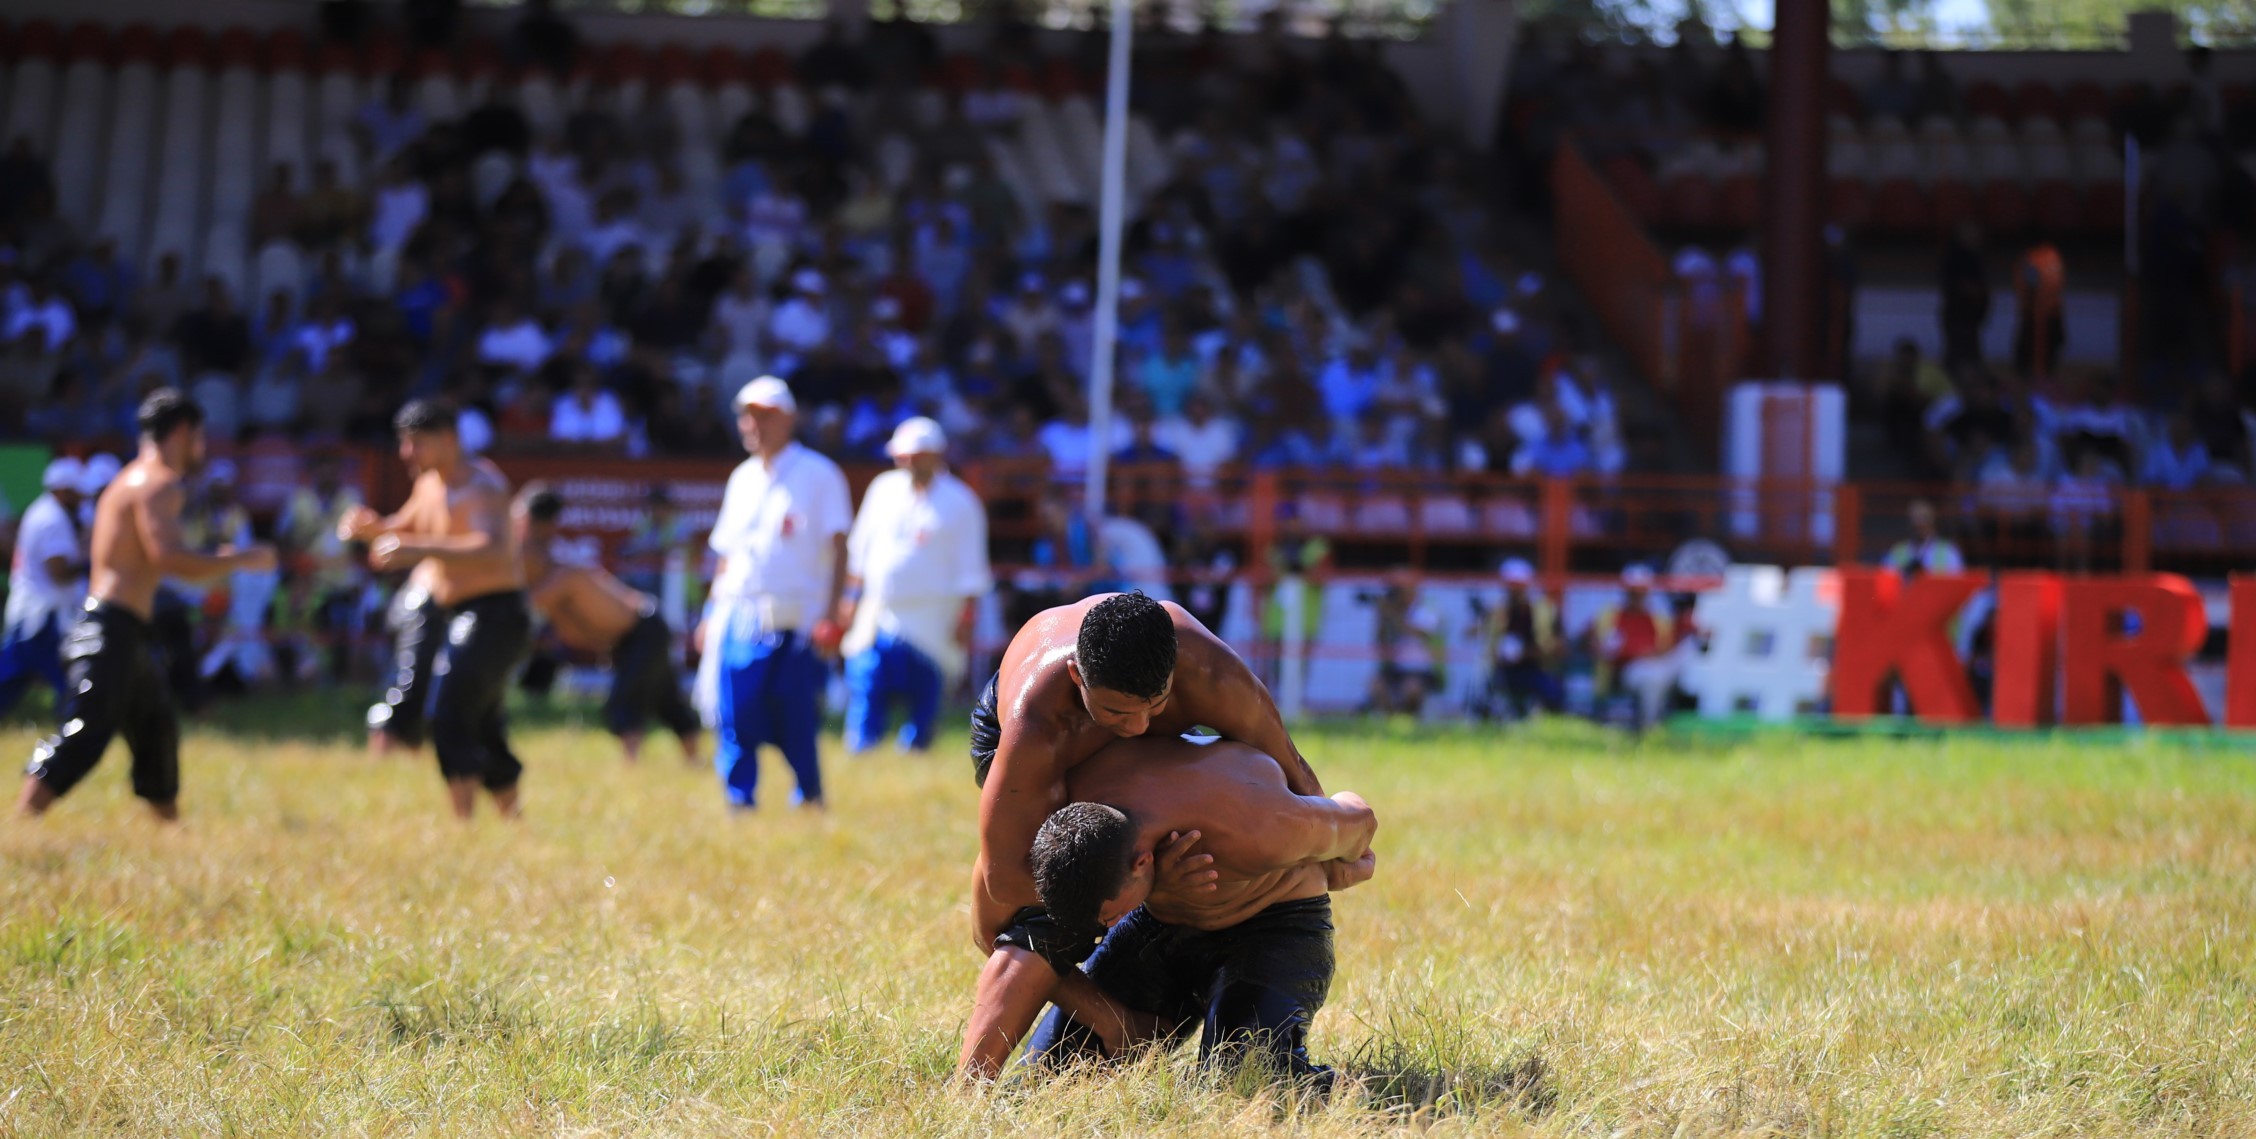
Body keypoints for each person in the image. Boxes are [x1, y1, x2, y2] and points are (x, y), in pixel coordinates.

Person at [958, 592, 1350, 1074]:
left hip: (1249, 908)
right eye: (1118, 714)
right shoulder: (1036, 728)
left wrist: (1333, 851)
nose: (1140, 727)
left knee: (1123, 853)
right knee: (1070, 885)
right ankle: (970, 1089)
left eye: (1156, 706)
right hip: (1029, 726)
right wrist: (1147, 883)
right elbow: (999, 892)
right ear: (1079, 679)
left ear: (1174, 674)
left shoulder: (1211, 675)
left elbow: (1294, 772)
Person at [956, 733, 1378, 1084]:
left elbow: (1358, 820)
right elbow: (996, 933)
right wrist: (1111, 1019)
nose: (1101, 930)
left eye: (1104, 917)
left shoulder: (1251, 823)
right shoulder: (1050, 811)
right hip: (1161, 926)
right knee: (1050, 1077)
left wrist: (1336, 866)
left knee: (1240, 1082)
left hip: (1273, 927)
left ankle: (1329, 1083)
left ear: (1141, 863)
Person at [18, 390, 277, 820]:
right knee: (84, 734)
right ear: (181, 433)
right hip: (110, 629)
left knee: (157, 732)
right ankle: (21, 822)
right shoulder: (158, 483)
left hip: (125, 629)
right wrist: (243, 557)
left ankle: (168, 832)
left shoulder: (130, 479)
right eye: (200, 437)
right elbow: (169, 558)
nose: (202, 448)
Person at [337, 400, 530, 819]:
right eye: (404, 444)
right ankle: (511, 820)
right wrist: (370, 528)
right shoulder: (429, 484)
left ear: (448, 440)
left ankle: (464, 825)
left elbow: (491, 547)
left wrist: (412, 549)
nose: (407, 454)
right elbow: (401, 530)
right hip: (458, 612)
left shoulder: (483, 486)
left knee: (448, 710)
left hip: (496, 613)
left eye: (416, 444)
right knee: (479, 718)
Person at [699, 377, 852, 810]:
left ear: (788, 419)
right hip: (741, 612)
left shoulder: (819, 474)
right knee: (735, 713)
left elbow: (839, 548)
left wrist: (832, 613)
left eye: (764, 415)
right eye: (747, 415)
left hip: (797, 617)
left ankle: (808, 794)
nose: (753, 425)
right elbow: (727, 555)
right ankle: (739, 799)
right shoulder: (742, 478)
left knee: (794, 712)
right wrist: (712, 612)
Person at [515, 483, 702, 764]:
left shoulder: (563, 575)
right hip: (632, 634)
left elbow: (522, 604)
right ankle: (694, 761)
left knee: (626, 700)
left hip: (645, 628)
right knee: (666, 698)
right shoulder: (549, 568)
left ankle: (632, 767)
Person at [838, 417, 990, 755]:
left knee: (926, 690)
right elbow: (860, 551)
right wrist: (850, 598)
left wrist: (965, 618)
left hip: (933, 615)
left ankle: (916, 750)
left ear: (936, 455)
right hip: (879, 610)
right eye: (902, 456)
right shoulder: (883, 489)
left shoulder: (961, 502)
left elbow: (971, 570)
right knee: (866, 681)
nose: (907, 463)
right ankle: (861, 749)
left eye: (915, 456)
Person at [0, 457, 85, 718]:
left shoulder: (46, 512)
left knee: (16, 673)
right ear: (61, 490)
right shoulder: (51, 519)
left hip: (38, 612)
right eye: (74, 492)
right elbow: (58, 572)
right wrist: (90, 561)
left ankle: (75, 716)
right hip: (40, 614)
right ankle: (75, 718)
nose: (80, 498)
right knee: (65, 672)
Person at [1482, 558, 1563, 719]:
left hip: (1537, 669)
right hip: (1504, 671)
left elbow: (1560, 645)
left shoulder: (1545, 610)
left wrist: (1526, 654)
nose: (1515, 591)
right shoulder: (1496, 610)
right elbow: (1480, 637)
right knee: (1487, 695)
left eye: (1519, 586)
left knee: (1553, 693)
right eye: (1512, 586)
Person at [1884, 499, 1966, 577]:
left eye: (1923, 518)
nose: (1919, 524)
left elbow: (1956, 582)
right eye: (1915, 519)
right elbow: (1886, 579)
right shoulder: (1897, 552)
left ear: (1932, 521)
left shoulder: (1948, 550)